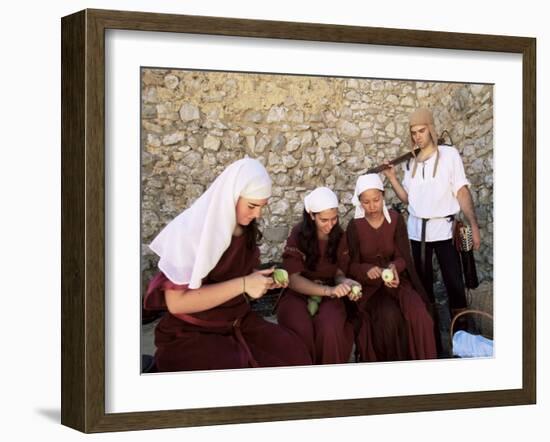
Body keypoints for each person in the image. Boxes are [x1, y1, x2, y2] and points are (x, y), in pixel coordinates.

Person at [143, 157, 312, 372]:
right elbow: (177, 304)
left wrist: (260, 281)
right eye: (252, 206)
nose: (257, 214)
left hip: (238, 321)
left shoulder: (245, 229)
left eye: (262, 207)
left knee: (293, 352)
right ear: (231, 197)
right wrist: (243, 284)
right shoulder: (189, 232)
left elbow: (237, 273)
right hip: (194, 329)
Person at [382, 107, 480, 352]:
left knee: (455, 285)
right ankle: (431, 343)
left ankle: (463, 342)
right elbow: (408, 199)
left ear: (431, 129)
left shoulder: (449, 155)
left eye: (422, 131)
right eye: (413, 132)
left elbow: (461, 190)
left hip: (445, 231)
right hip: (418, 234)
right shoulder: (410, 163)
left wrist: (474, 226)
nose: (417, 136)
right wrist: (392, 178)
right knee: (424, 289)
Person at [346, 174, 437, 361]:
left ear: (383, 196)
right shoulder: (355, 226)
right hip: (371, 288)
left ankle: (427, 367)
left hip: (398, 282)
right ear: (360, 202)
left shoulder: (395, 220)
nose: (372, 207)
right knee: (388, 318)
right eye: (366, 202)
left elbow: (403, 257)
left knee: (421, 317)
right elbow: (351, 266)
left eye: (376, 200)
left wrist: (394, 267)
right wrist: (366, 270)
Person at [275, 187, 358, 364]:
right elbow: (293, 279)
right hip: (299, 294)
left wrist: (346, 282)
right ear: (311, 215)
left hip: (331, 292)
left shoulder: (339, 236)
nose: (330, 224)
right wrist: (328, 290)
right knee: (300, 327)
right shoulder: (298, 235)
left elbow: (338, 274)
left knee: (331, 327)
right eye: (324, 220)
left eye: (334, 218)